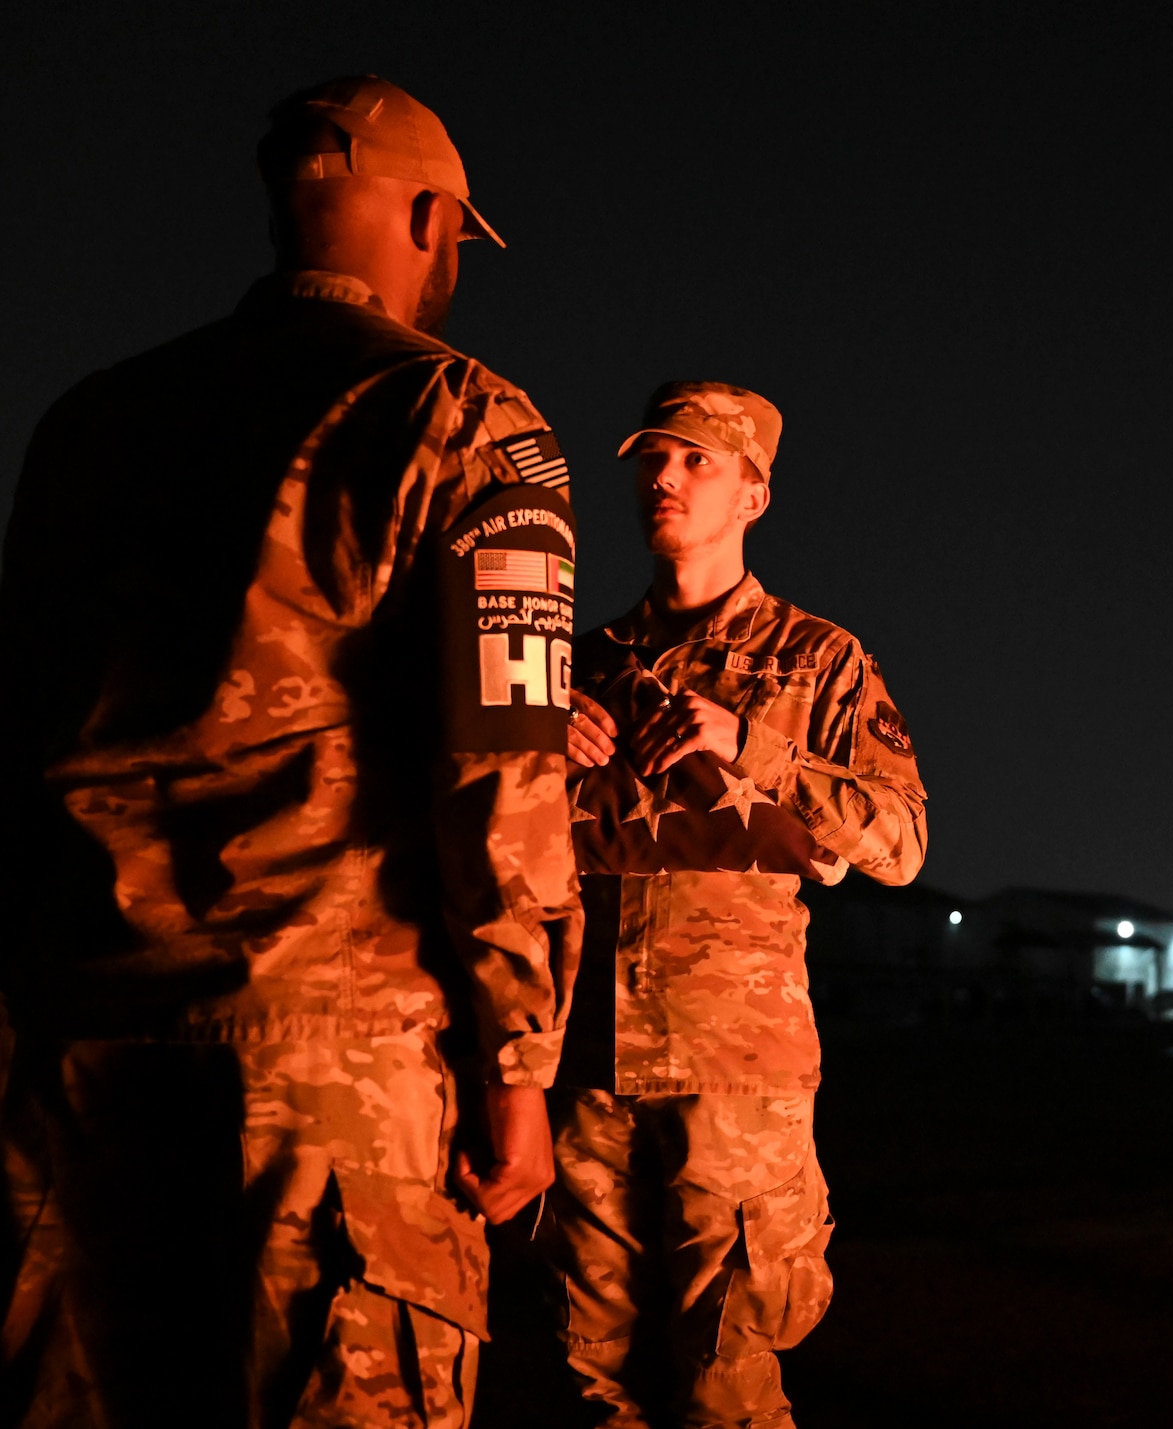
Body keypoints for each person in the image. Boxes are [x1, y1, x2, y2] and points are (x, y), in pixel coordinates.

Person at [0, 75, 582, 1426]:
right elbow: (502, 771)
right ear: (432, 218)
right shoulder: (461, 419)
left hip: (67, 1055)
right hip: (323, 1078)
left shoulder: (87, 426)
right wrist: (518, 1064)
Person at [550, 381, 928, 1426]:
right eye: (650, 459)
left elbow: (898, 844)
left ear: (753, 494)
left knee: (726, 1388)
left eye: (695, 461)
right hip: (587, 1070)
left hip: (735, 1079)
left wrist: (749, 743)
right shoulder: (579, 667)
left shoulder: (818, 660)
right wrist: (523, 749)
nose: (662, 478)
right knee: (593, 1385)